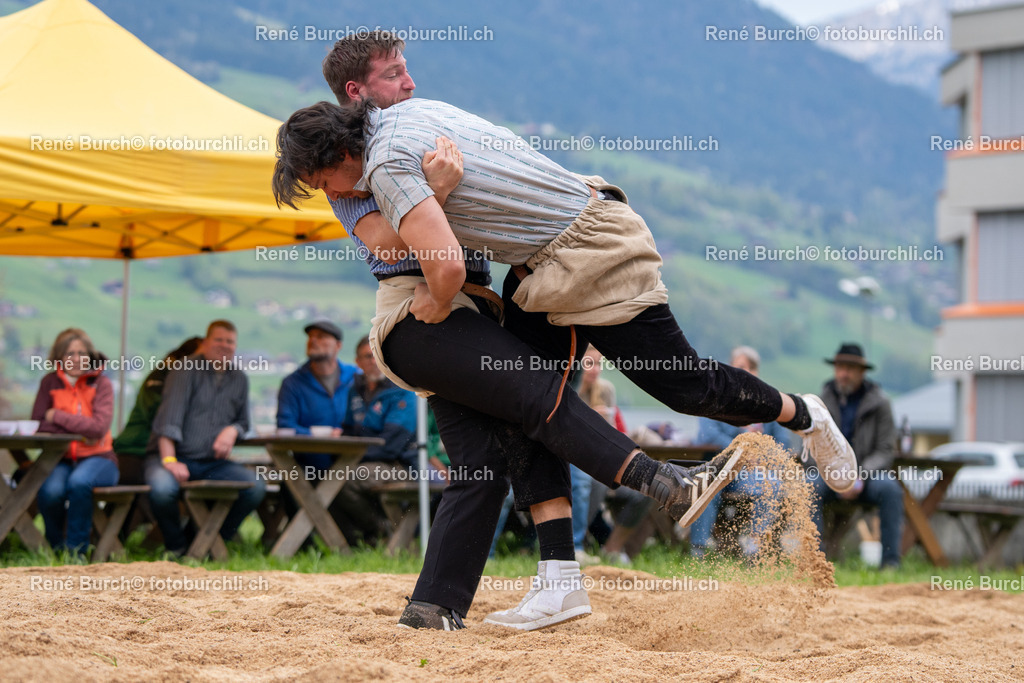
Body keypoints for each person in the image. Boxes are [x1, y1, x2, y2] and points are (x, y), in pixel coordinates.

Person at [311, 32, 743, 632]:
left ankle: (434, 607)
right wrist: (437, 194)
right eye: (394, 74)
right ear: (358, 91)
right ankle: (667, 483)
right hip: (421, 311)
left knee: (482, 463)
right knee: (537, 392)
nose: (409, 82)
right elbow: (391, 243)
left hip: (467, 307)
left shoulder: (415, 133)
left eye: (407, 69)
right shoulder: (354, 172)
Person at [269, 97, 858, 509]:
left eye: (320, 183)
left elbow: (445, 268)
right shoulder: (406, 117)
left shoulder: (384, 164)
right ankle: (559, 574)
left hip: (591, 249)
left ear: (335, 155)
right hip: (538, 269)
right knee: (530, 405)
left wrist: (433, 299)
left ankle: (803, 413)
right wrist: (440, 197)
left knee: (684, 387)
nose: (329, 194)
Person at [144, 320, 265, 556]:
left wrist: (232, 430)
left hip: (212, 463)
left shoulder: (240, 378)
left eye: (230, 341)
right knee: (162, 489)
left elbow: (244, 422)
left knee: (255, 487)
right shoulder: (185, 369)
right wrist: (170, 461)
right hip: (170, 456)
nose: (224, 345)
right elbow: (169, 421)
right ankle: (176, 545)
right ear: (206, 342)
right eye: (218, 340)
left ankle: (208, 542)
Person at [688, 346, 794, 558]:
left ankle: (755, 550)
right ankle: (697, 551)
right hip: (719, 468)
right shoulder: (714, 397)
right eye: (739, 367)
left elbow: (783, 442)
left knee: (773, 485)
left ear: (756, 372)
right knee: (706, 486)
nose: (745, 373)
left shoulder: (769, 402)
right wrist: (740, 451)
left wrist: (763, 457)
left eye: (749, 368)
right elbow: (708, 435)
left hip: (751, 473)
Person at [810, 343, 902, 569]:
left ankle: (890, 562)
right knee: (807, 486)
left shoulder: (881, 403)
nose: (844, 373)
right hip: (828, 475)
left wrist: (858, 476)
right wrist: (835, 475)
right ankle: (814, 561)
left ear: (862, 372)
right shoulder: (819, 402)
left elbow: (885, 450)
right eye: (840, 367)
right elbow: (812, 446)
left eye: (850, 368)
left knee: (891, 490)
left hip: (867, 477)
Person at [32, 328, 119, 554]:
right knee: (50, 491)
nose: (77, 358)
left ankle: (76, 552)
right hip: (60, 458)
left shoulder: (102, 384)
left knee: (79, 482)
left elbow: (98, 428)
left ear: (90, 355)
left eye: (82, 353)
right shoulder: (49, 383)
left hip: (99, 458)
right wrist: (81, 428)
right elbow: (38, 424)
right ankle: (56, 548)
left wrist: (57, 416)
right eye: (70, 353)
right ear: (59, 356)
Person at [330, 334, 419, 543]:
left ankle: (380, 531)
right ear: (358, 362)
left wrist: (353, 457)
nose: (374, 361)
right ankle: (359, 538)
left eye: (379, 356)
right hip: (366, 464)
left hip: (401, 465)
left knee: (341, 480)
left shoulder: (403, 390)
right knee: (325, 478)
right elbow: (349, 431)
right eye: (368, 356)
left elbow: (391, 445)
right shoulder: (355, 391)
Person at [113, 336, 203, 484]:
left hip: (159, 449)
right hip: (137, 447)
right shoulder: (161, 376)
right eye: (200, 358)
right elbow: (156, 413)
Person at [276, 319, 360, 471]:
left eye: (321, 336)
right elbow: (285, 426)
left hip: (355, 464)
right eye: (310, 336)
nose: (313, 341)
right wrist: (320, 434)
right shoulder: (292, 383)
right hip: (308, 466)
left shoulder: (356, 377)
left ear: (338, 345)